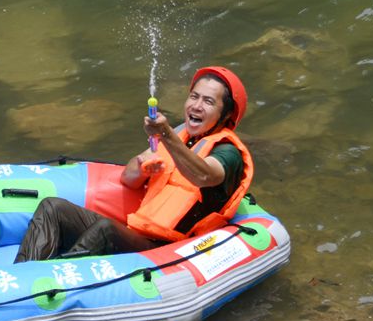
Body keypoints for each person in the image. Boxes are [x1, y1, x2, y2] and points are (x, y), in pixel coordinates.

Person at [14, 66, 255, 262]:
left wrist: (165, 134)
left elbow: (204, 176)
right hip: (137, 231)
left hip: (165, 249)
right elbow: (127, 178)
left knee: (106, 230)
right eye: (194, 96)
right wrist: (140, 167)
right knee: (53, 207)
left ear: (225, 116)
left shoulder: (228, 152)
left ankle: (54, 283)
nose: (196, 106)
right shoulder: (182, 136)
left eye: (209, 102)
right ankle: (24, 274)